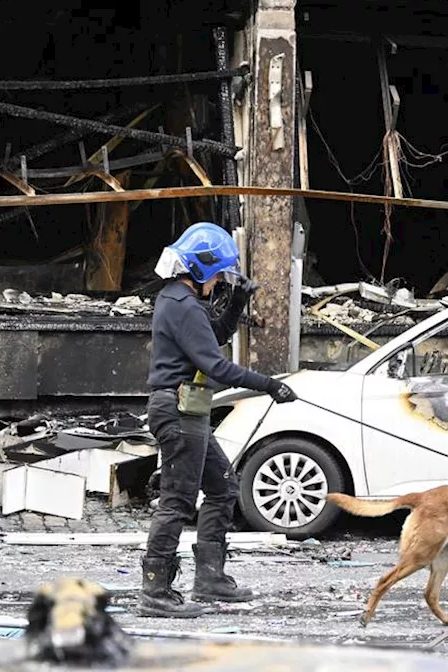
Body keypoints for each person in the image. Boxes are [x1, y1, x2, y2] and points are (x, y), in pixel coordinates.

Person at [140, 222, 297, 618]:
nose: (218, 282)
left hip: (186, 410)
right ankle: (155, 592)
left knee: (223, 488)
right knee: (176, 501)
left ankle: (210, 580)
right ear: (200, 268)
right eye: (217, 275)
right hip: (178, 412)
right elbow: (215, 364)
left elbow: (211, 335)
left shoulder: (176, 299)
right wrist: (268, 385)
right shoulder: (183, 304)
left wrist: (237, 305)